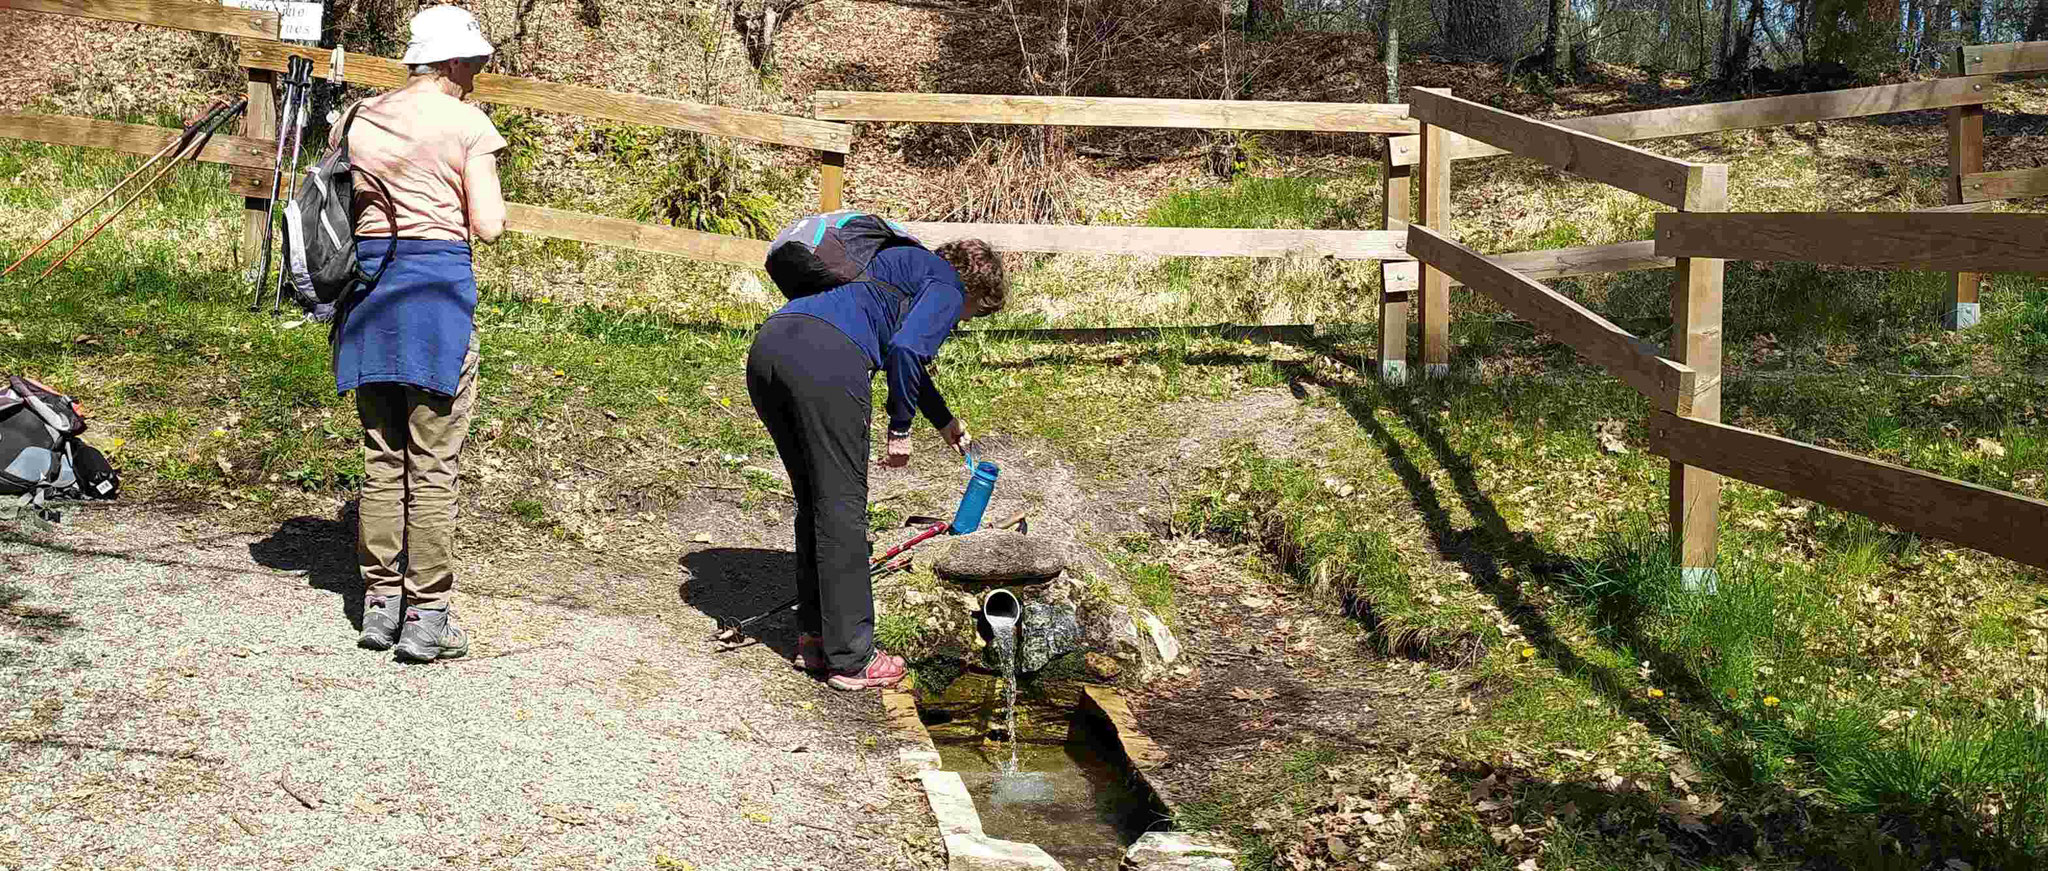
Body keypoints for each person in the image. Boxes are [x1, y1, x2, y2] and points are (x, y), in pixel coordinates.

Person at [746, 238, 1008, 690]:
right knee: (842, 509)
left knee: (815, 501)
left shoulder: (895, 265)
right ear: (976, 293)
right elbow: (908, 350)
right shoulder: (947, 288)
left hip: (771, 347)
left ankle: (815, 638)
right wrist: (900, 429)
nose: (961, 321)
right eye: (973, 315)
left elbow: (900, 354)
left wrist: (944, 421)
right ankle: (852, 658)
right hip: (827, 360)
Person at [331, 4, 507, 662]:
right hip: (437, 301)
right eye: (477, 65)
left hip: (370, 297)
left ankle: (381, 605)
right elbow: (488, 224)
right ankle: (428, 616)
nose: (479, 76)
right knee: (432, 466)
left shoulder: (360, 118)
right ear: (454, 62)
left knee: (383, 457)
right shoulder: (466, 123)